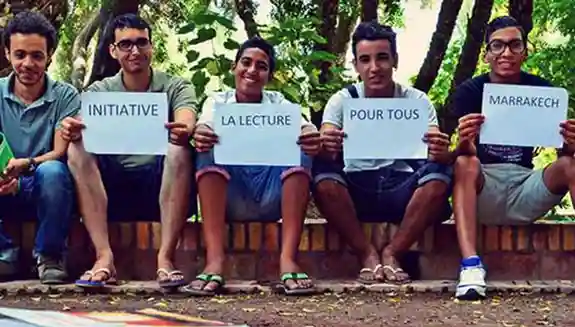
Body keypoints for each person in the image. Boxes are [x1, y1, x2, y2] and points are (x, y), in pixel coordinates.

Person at [61, 13, 197, 290]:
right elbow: (81, 125)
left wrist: (183, 129)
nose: (135, 51)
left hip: (160, 183)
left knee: (180, 148)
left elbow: (186, 119)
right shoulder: (99, 90)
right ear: (113, 51)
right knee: (76, 148)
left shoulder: (176, 85)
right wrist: (72, 129)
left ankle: (165, 258)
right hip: (112, 187)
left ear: (151, 47)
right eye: (125, 44)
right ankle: (103, 257)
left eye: (141, 43)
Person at [313, 22, 452, 284]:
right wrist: (326, 144)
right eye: (365, 60)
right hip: (356, 189)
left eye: (382, 58)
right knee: (321, 174)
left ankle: (393, 252)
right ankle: (366, 254)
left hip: (402, 190)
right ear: (355, 65)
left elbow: (434, 153)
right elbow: (326, 146)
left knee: (441, 174)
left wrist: (439, 149)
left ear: (395, 60)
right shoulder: (342, 100)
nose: (374, 68)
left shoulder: (416, 101)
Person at [452, 15, 575, 300]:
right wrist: (465, 141)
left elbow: (562, 155)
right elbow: (459, 157)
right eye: (497, 45)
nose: (506, 52)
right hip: (483, 189)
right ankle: (470, 266)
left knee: (571, 164)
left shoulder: (544, 91)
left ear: (524, 52)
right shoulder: (470, 92)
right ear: (486, 55)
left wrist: (570, 143)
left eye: (514, 45)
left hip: (525, 187)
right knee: (464, 163)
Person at [188, 36, 321, 296]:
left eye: (261, 66)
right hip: (231, 197)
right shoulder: (217, 102)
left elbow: (305, 126)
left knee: (302, 149)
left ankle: (288, 260)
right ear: (234, 67)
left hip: (272, 197)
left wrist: (309, 133)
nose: (252, 70)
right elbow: (204, 125)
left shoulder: (279, 103)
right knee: (205, 148)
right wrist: (201, 132)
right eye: (246, 63)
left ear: (269, 76)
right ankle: (215, 261)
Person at [0, 11, 79, 284]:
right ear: (7, 54)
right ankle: (4, 254)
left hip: (44, 187)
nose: (28, 64)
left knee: (54, 171)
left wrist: (27, 165)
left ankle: (49, 256)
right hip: (3, 185)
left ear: (50, 56)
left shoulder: (65, 95)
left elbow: (59, 152)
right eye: (20, 55)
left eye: (37, 56)